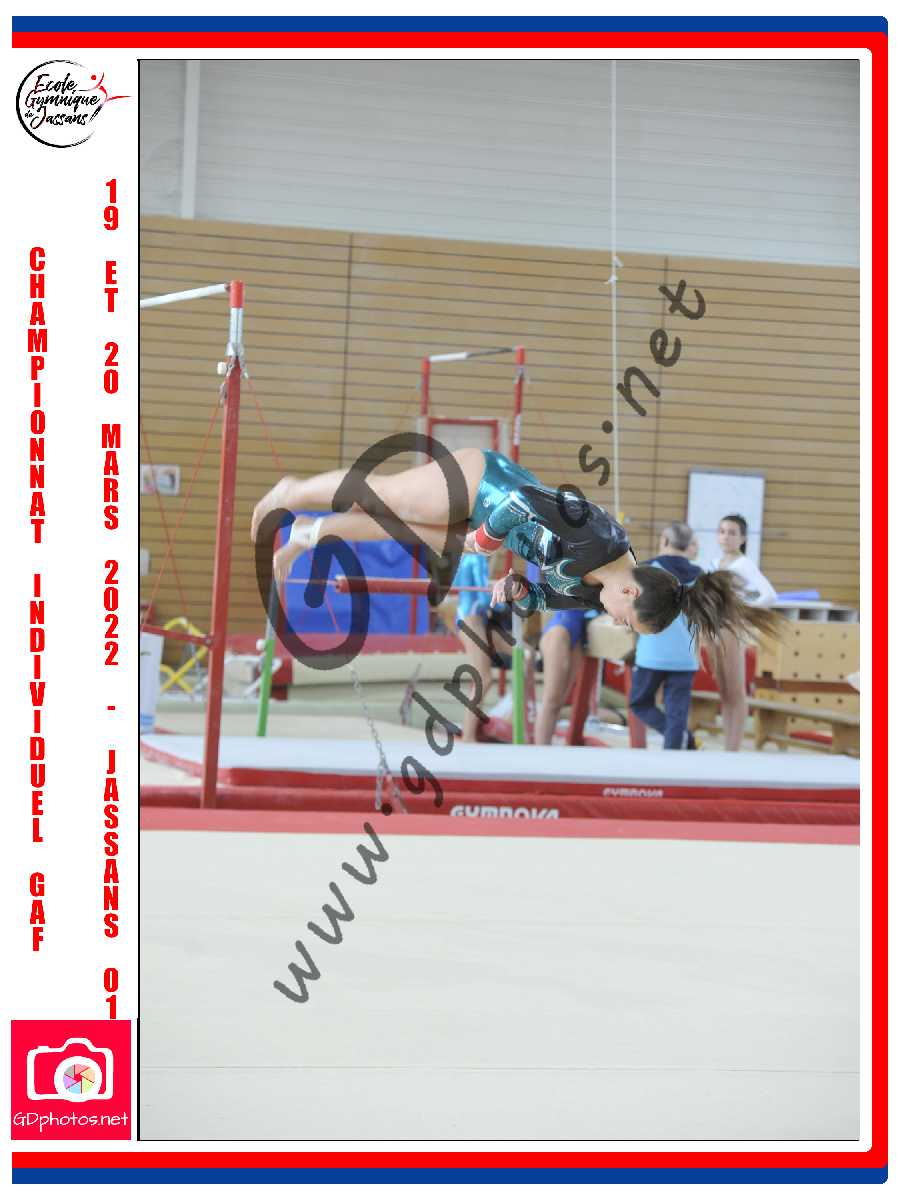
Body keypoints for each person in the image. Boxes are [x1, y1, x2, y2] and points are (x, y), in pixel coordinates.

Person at [251, 447, 783, 647]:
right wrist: (485, 539)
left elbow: (539, 599)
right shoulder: (602, 535)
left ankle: (305, 536)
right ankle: (291, 492)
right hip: (483, 483)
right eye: (627, 622)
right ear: (630, 591)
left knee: (395, 528)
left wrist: (517, 592)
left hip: (487, 530)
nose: (617, 624)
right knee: (382, 496)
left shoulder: (589, 594)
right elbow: (524, 500)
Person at [706, 514, 778, 751]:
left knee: (735, 691)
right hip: (715, 628)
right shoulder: (715, 563)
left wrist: (742, 611)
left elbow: (769, 595)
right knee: (724, 691)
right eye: (722, 531)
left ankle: (733, 748)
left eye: (732, 533)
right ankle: (728, 745)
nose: (726, 537)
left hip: (730, 629)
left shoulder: (744, 564)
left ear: (743, 538)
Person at [629, 522, 702, 750]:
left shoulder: (647, 570)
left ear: (665, 541)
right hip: (686, 655)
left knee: (639, 703)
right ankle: (677, 748)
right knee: (677, 713)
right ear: (689, 545)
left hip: (653, 652)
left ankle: (684, 737)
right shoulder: (701, 576)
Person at [533, 608, 601, 745]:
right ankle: (539, 751)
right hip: (560, 629)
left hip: (580, 632)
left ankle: (545, 747)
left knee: (558, 703)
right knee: (551, 700)